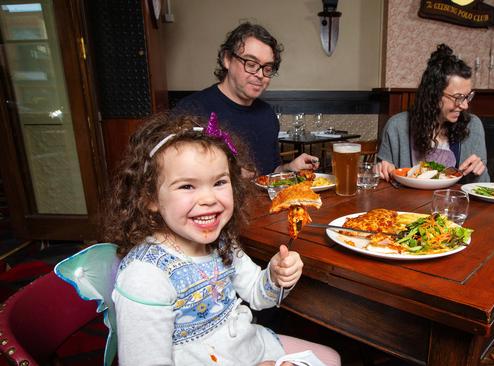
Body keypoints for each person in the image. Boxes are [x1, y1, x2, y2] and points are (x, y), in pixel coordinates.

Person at [102, 112, 340, 365]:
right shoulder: (145, 278)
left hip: (246, 347)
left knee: (330, 358)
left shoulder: (222, 242)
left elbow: (258, 296)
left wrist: (275, 276)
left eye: (219, 182)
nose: (209, 199)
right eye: (187, 186)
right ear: (149, 198)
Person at [175, 22, 318, 175]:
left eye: (267, 68)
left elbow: (269, 174)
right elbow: (175, 173)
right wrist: (231, 174)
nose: (260, 75)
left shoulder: (267, 114)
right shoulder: (191, 109)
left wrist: (288, 168)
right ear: (227, 59)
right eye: (251, 64)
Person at [377, 44, 489, 183]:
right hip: (406, 204)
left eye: (467, 97)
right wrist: (381, 171)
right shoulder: (397, 127)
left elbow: (482, 187)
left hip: (454, 204)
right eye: (458, 97)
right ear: (434, 94)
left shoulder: (473, 126)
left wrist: (480, 170)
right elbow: (383, 183)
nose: (465, 105)